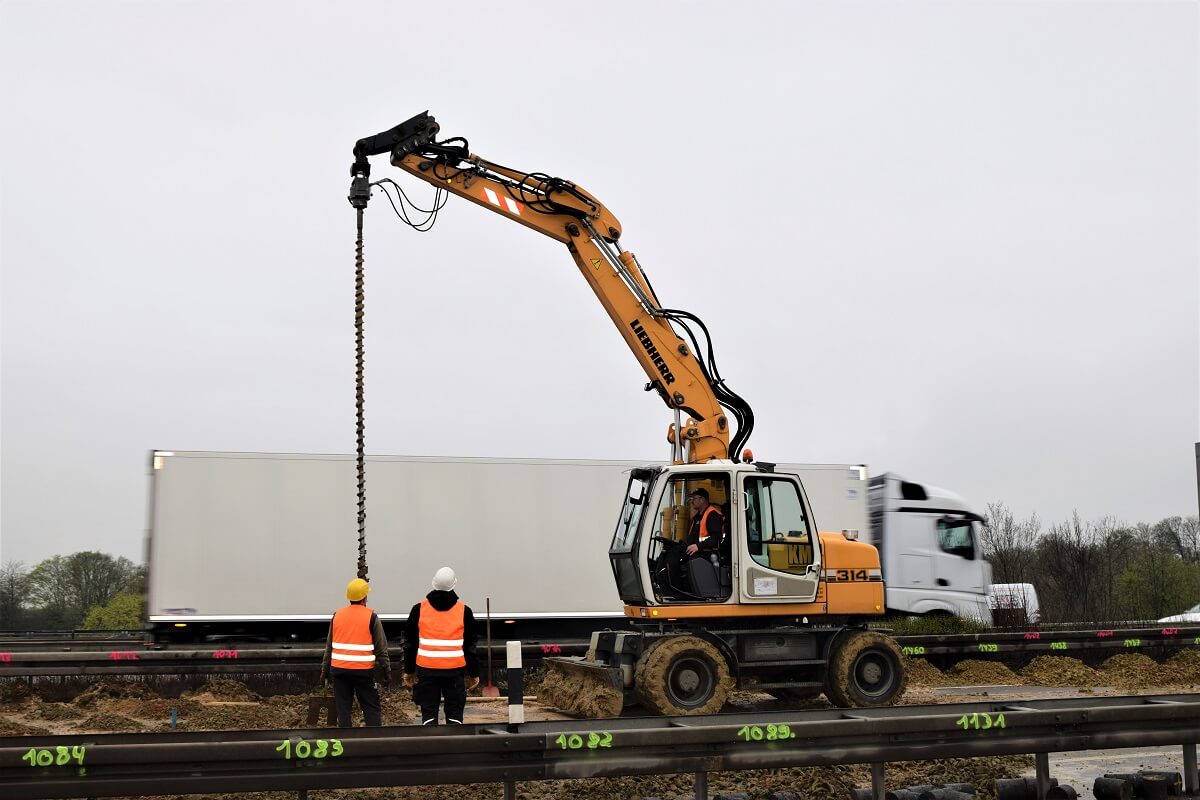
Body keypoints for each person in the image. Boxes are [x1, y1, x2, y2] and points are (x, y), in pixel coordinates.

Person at [403, 566, 480, 725]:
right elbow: (470, 647)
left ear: (434, 584)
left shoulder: (419, 609)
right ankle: (454, 746)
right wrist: (474, 673)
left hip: (427, 671)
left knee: (429, 716)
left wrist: (408, 671)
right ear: (454, 585)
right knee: (454, 716)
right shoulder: (464, 611)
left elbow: (410, 644)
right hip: (454, 673)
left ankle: (431, 746)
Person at [318, 578, 389, 727]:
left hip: (339, 672)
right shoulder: (372, 617)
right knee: (371, 707)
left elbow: (328, 647)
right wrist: (386, 671)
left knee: (343, 709)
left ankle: (345, 743)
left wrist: (324, 670)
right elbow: (381, 648)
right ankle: (374, 740)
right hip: (363, 672)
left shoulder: (337, 615)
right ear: (365, 597)